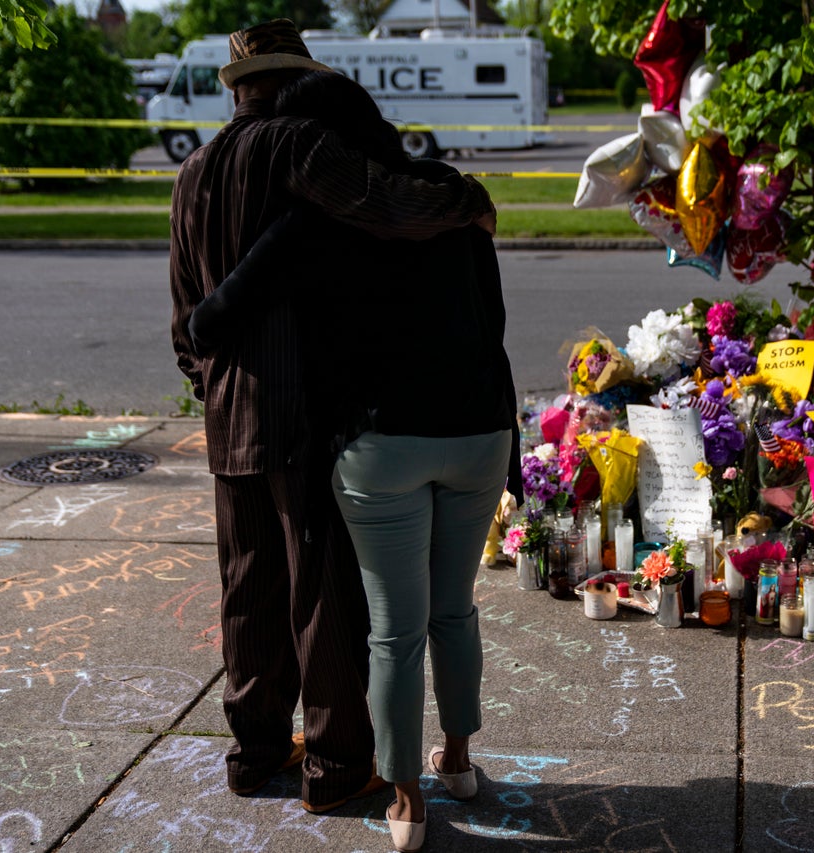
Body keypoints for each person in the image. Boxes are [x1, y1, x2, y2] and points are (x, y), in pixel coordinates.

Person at [189, 69, 523, 853]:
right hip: (479, 429)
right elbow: (495, 313)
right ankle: (463, 763)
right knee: (455, 610)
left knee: (394, 630)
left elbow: (224, 308)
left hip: (382, 442)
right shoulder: (449, 192)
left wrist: (202, 335)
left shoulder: (320, 216)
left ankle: (407, 800)